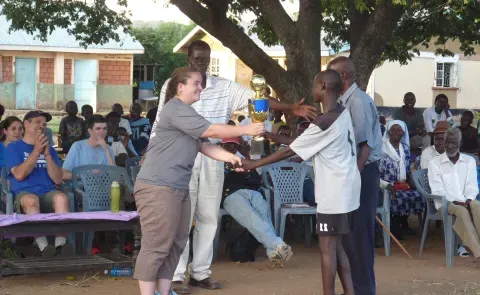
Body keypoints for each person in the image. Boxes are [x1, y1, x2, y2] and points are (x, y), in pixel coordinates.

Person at [151, 40, 316, 293]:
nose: (201, 62)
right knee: (182, 218)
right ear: (188, 59)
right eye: (196, 58)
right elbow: (161, 119)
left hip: (213, 155)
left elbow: (258, 100)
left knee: (208, 216)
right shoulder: (174, 85)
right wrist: (152, 150)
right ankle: (175, 275)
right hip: (182, 156)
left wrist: (291, 107)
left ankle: (200, 273)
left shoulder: (224, 87)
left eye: (205, 58)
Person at [133, 67, 264, 295]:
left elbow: (204, 145)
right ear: (180, 87)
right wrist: (246, 129)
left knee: (176, 242)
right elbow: (210, 130)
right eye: (196, 83)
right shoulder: (174, 108)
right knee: (157, 245)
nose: (201, 87)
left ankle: (164, 292)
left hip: (177, 187)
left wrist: (233, 158)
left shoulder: (189, 113)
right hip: (158, 187)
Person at [242, 69, 360, 295]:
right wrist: (271, 136)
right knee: (337, 246)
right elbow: (302, 141)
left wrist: (254, 164)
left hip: (334, 193)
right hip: (347, 189)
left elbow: (291, 151)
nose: (312, 89)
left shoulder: (324, 121)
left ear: (323, 86)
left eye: (315, 85)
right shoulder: (340, 113)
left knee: (327, 248)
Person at [327, 56, 382, 295]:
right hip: (355, 173)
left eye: (330, 76)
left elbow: (365, 146)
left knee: (359, 237)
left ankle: (364, 290)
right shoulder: (345, 101)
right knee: (349, 237)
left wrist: (352, 178)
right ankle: (357, 289)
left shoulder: (358, 102)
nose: (326, 81)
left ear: (343, 76)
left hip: (362, 173)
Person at [5, 111, 73, 257]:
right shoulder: (13, 147)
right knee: (31, 200)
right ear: (26, 124)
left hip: (48, 192)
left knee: (61, 198)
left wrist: (47, 155)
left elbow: (57, 179)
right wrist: (36, 151)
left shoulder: (49, 150)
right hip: (24, 193)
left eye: (44, 124)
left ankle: (61, 246)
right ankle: (43, 247)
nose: (41, 126)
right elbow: (19, 175)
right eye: (37, 122)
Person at [219, 137, 292, 264]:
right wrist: (226, 168)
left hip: (252, 192)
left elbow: (257, 181)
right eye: (227, 145)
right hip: (231, 194)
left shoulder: (243, 159)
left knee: (264, 213)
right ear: (221, 146)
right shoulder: (216, 160)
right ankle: (278, 246)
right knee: (251, 216)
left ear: (237, 147)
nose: (230, 148)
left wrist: (245, 169)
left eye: (233, 145)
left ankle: (274, 253)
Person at [428, 127, 480, 258]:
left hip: (465, 200)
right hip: (446, 203)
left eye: (454, 143)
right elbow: (438, 190)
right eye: (447, 143)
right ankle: (478, 252)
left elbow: (472, 185)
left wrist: (468, 199)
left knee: (476, 205)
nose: (450, 146)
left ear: (460, 144)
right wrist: (456, 201)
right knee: (461, 211)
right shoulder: (435, 163)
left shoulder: (469, 161)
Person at [379, 120, 424, 239]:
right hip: (385, 184)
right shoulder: (381, 148)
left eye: (399, 130)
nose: (395, 132)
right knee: (397, 197)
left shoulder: (405, 148)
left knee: (417, 195)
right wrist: (387, 185)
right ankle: (395, 228)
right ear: (388, 131)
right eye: (393, 129)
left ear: (403, 133)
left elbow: (408, 168)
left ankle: (403, 224)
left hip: (402, 183)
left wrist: (412, 182)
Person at [62, 114, 115, 181]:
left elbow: (114, 175)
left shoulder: (107, 148)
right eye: (98, 129)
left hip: (104, 187)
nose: (102, 132)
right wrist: (89, 173)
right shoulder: (78, 147)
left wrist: (106, 150)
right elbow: (63, 175)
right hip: (81, 188)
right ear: (90, 131)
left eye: (104, 129)